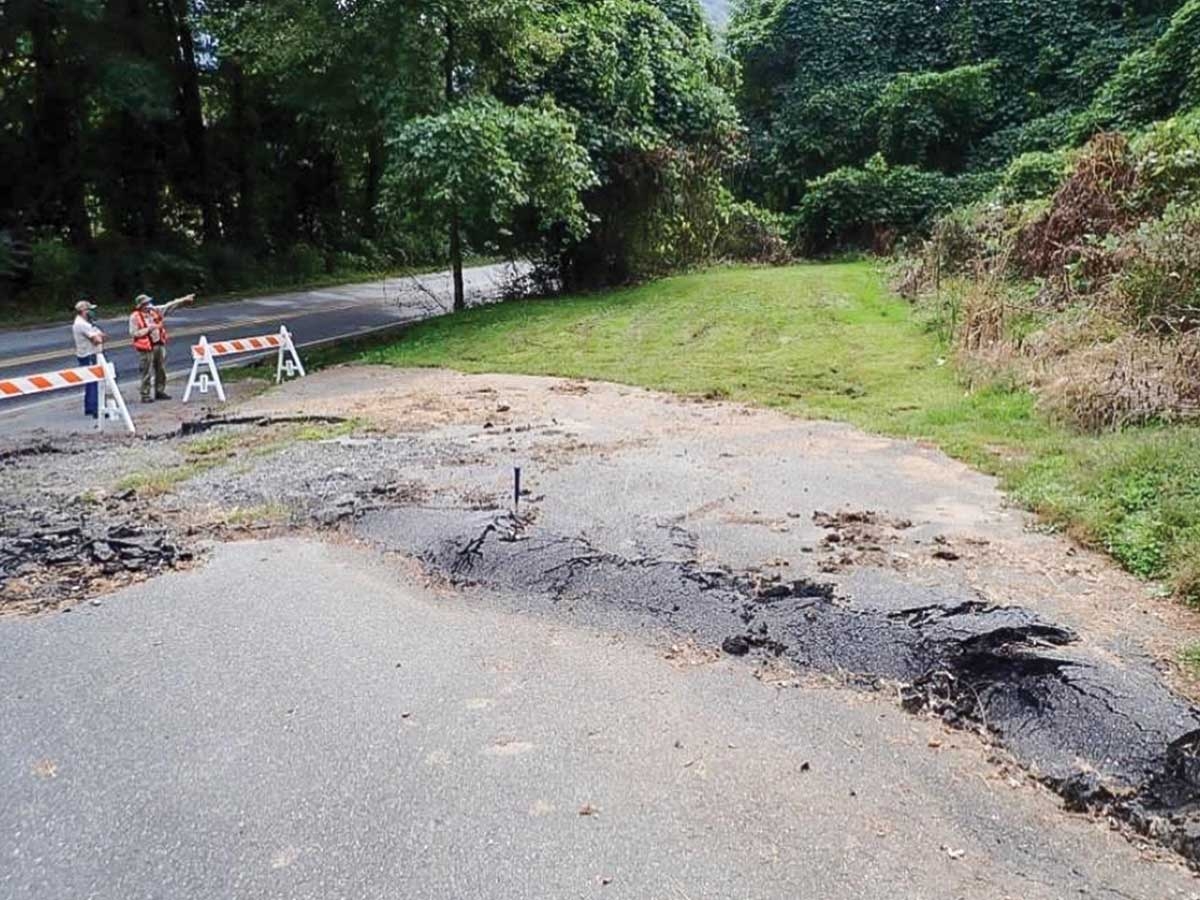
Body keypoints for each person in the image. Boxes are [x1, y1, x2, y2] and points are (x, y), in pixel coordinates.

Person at [128, 292, 195, 402]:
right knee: (146, 371)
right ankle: (145, 395)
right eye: (146, 303)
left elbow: (169, 305)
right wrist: (149, 329)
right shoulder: (134, 317)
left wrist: (184, 300)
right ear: (141, 305)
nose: (149, 305)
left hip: (159, 344)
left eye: (149, 302)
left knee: (161, 369)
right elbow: (134, 333)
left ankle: (160, 391)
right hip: (146, 347)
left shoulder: (155, 311)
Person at [71, 299, 106, 419]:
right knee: (93, 382)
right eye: (89, 310)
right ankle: (95, 408)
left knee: (90, 381)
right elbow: (98, 339)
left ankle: (89, 407)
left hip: (86, 354)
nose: (92, 312)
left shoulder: (86, 323)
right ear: (83, 311)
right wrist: (98, 335)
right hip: (89, 354)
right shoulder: (82, 324)